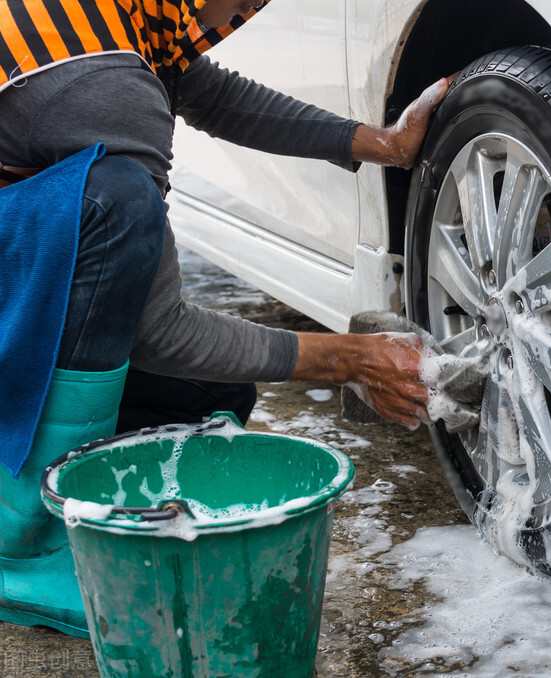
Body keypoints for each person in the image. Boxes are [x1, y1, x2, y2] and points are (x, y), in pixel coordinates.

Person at [0, 0, 449, 637]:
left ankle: (41, 485)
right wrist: (351, 357)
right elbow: (164, 334)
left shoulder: (111, 21)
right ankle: (26, 550)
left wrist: (385, 145)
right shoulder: (99, 81)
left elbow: (212, 95)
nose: (245, 12)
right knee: (122, 209)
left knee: (214, 395)